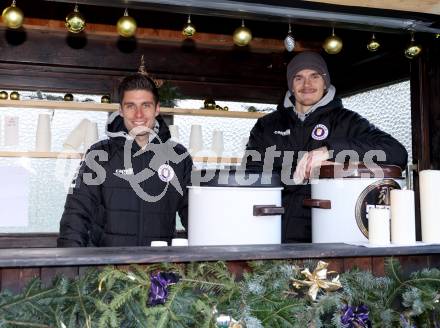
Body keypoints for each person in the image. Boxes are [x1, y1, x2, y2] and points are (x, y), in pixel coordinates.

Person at [245, 51, 408, 243]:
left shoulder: (349, 122)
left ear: (325, 82)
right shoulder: (267, 125)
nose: (307, 84)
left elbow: (397, 153)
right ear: (291, 84)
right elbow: (251, 176)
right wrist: (294, 175)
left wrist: (329, 151)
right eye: (299, 78)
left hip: (335, 231)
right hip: (274, 231)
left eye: (315, 76)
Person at [57, 74, 193, 247]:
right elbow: (75, 215)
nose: (138, 114)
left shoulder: (179, 157)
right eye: (130, 106)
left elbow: (195, 215)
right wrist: (69, 268)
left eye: (146, 105)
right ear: (120, 110)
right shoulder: (99, 154)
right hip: (108, 270)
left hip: (159, 269)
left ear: (157, 109)